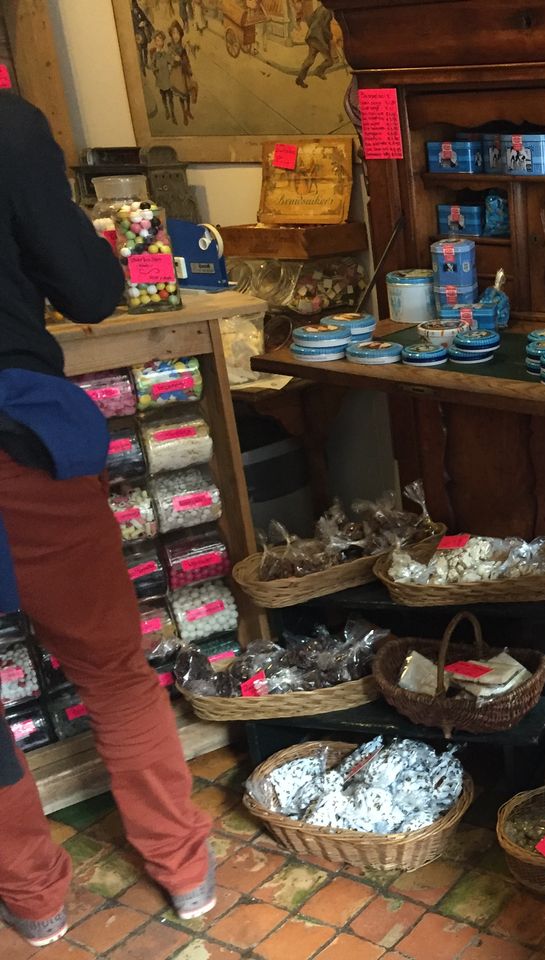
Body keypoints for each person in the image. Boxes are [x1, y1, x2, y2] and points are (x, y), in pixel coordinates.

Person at [0, 93, 213, 948]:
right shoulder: (7, 125)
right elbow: (90, 289)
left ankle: (34, 901)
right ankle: (184, 870)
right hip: (16, 437)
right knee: (112, 665)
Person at [295, 2, 336, 88]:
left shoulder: (319, 8)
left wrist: (313, 30)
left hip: (311, 37)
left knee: (310, 59)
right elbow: (324, 27)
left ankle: (300, 79)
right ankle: (319, 71)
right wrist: (330, 35)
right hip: (319, 39)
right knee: (330, 61)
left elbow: (310, 20)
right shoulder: (328, 11)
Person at [168, 22, 194, 126]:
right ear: (171, 34)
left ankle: (188, 110)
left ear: (181, 34)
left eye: (178, 33)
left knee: (187, 93)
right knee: (181, 94)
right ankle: (184, 113)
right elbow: (169, 59)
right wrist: (174, 59)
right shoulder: (171, 47)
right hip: (177, 74)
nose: (176, 36)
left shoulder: (182, 45)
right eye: (174, 33)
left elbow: (186, 58)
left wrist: (188, 64)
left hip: (185, 71)